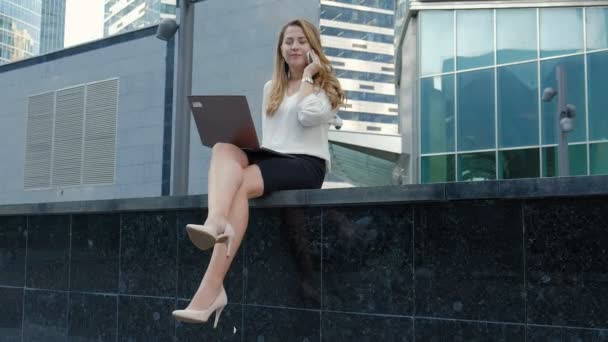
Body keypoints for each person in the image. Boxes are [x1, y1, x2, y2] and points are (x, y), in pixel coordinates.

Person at [171, 18, 345, 327]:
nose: (294, 46)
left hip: (306, 165)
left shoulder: (326, 87)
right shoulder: (271, 88)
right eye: (289, 41)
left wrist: (307, 76)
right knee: (223, 147)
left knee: (243, 182)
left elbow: (306, 117)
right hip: (274, 158)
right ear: (280, 48)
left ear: (313, 48)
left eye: (301, 41)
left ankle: (210, 288)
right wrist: (252, 151)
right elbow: (274, 136)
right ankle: (215, 225)